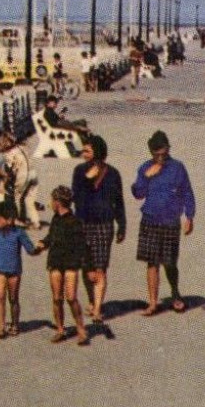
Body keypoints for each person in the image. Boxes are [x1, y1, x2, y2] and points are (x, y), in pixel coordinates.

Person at [131, 130, 196, 316]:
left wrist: (189, 217)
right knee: (152, 262)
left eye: (164, 152)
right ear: (151, 152)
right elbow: (138, 194)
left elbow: (187, 192)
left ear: (168, 148)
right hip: (150, 219)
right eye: (156, 153)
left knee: (169, 262)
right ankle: (153, 302)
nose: (161, 156)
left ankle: (175, 293)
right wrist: (146, 176)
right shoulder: (145, 168)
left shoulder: (178, 167)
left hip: (170, 220)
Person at [71, 134, 126, 324]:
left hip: (104, 224)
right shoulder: (78, 171)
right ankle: (92, 300)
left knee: (100, 268)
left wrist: (122, 225)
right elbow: (76, 199)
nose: (83, 154)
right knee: (87, 268)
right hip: (83, 223)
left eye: (87, 150)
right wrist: (87, 180)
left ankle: (97, 310)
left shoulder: (113, 173)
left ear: (97, 152)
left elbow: (119, 201)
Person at [35, 186, 89, 345]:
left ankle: (81, 329)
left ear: (58, 202)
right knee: (57, 298)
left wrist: (85, 265)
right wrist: (43, 244)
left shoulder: (75, 221)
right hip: (56, 261)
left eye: (52, 200)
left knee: (71, 297)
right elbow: (51, 236)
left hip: (71, 263)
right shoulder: (55, 219)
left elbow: (81, 245)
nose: (50, 203)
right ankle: (60, 329)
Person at [0, 201, 36, 339]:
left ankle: (14, 323)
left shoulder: (19, 233)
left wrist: (37, 249)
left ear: (9, 219)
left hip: (14, 270)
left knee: (13, 298)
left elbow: (29, 247)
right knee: (0, 297)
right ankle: (0, 327)